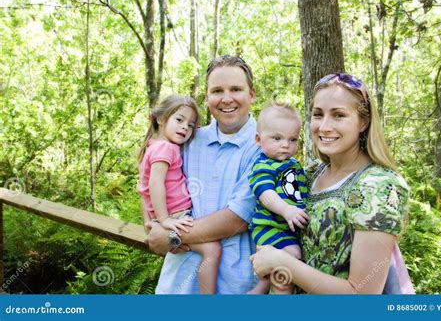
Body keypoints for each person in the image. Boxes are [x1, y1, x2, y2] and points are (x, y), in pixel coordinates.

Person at [251, 73, 410, 294]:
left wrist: (282, 262)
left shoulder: (379, 186)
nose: (324, 126)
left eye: (338, 115)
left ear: (363, 122)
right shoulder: (310, 173)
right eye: (318, 114)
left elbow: (362, 295)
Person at [145, 55, 261, 294]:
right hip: (177, 283)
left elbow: (237, 218)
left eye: (236, 89)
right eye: (217, 90)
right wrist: (151, 222)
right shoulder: (189, 139)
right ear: (207, 97)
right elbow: (153, 179)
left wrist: (171, 235)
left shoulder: (265, 144)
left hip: (234, 286)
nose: (226, 98)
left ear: (252, 94)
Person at [137, 95, 221, 294]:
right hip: (176, 215)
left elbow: (142, 190)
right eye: (179, 120)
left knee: (183, 249)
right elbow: (155, 183)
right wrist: (165, 220)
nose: (185, 128)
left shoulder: (152, 146)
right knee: (212, 250)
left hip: (168, 218)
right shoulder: (166, 148)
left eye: (191, 125)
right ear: (160, 119)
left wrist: (150, 221)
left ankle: (176, 243)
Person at [247, 103, 309, 294]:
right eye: (277, 138)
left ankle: (261, 290)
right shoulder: (263, 165)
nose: (285, 144)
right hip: (270, 227)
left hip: (287, 229)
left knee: (279, 268)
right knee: (291, 259)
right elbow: (266, 194)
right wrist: (287, 210)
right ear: (259, 139)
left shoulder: (294, 164)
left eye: (292, 139)